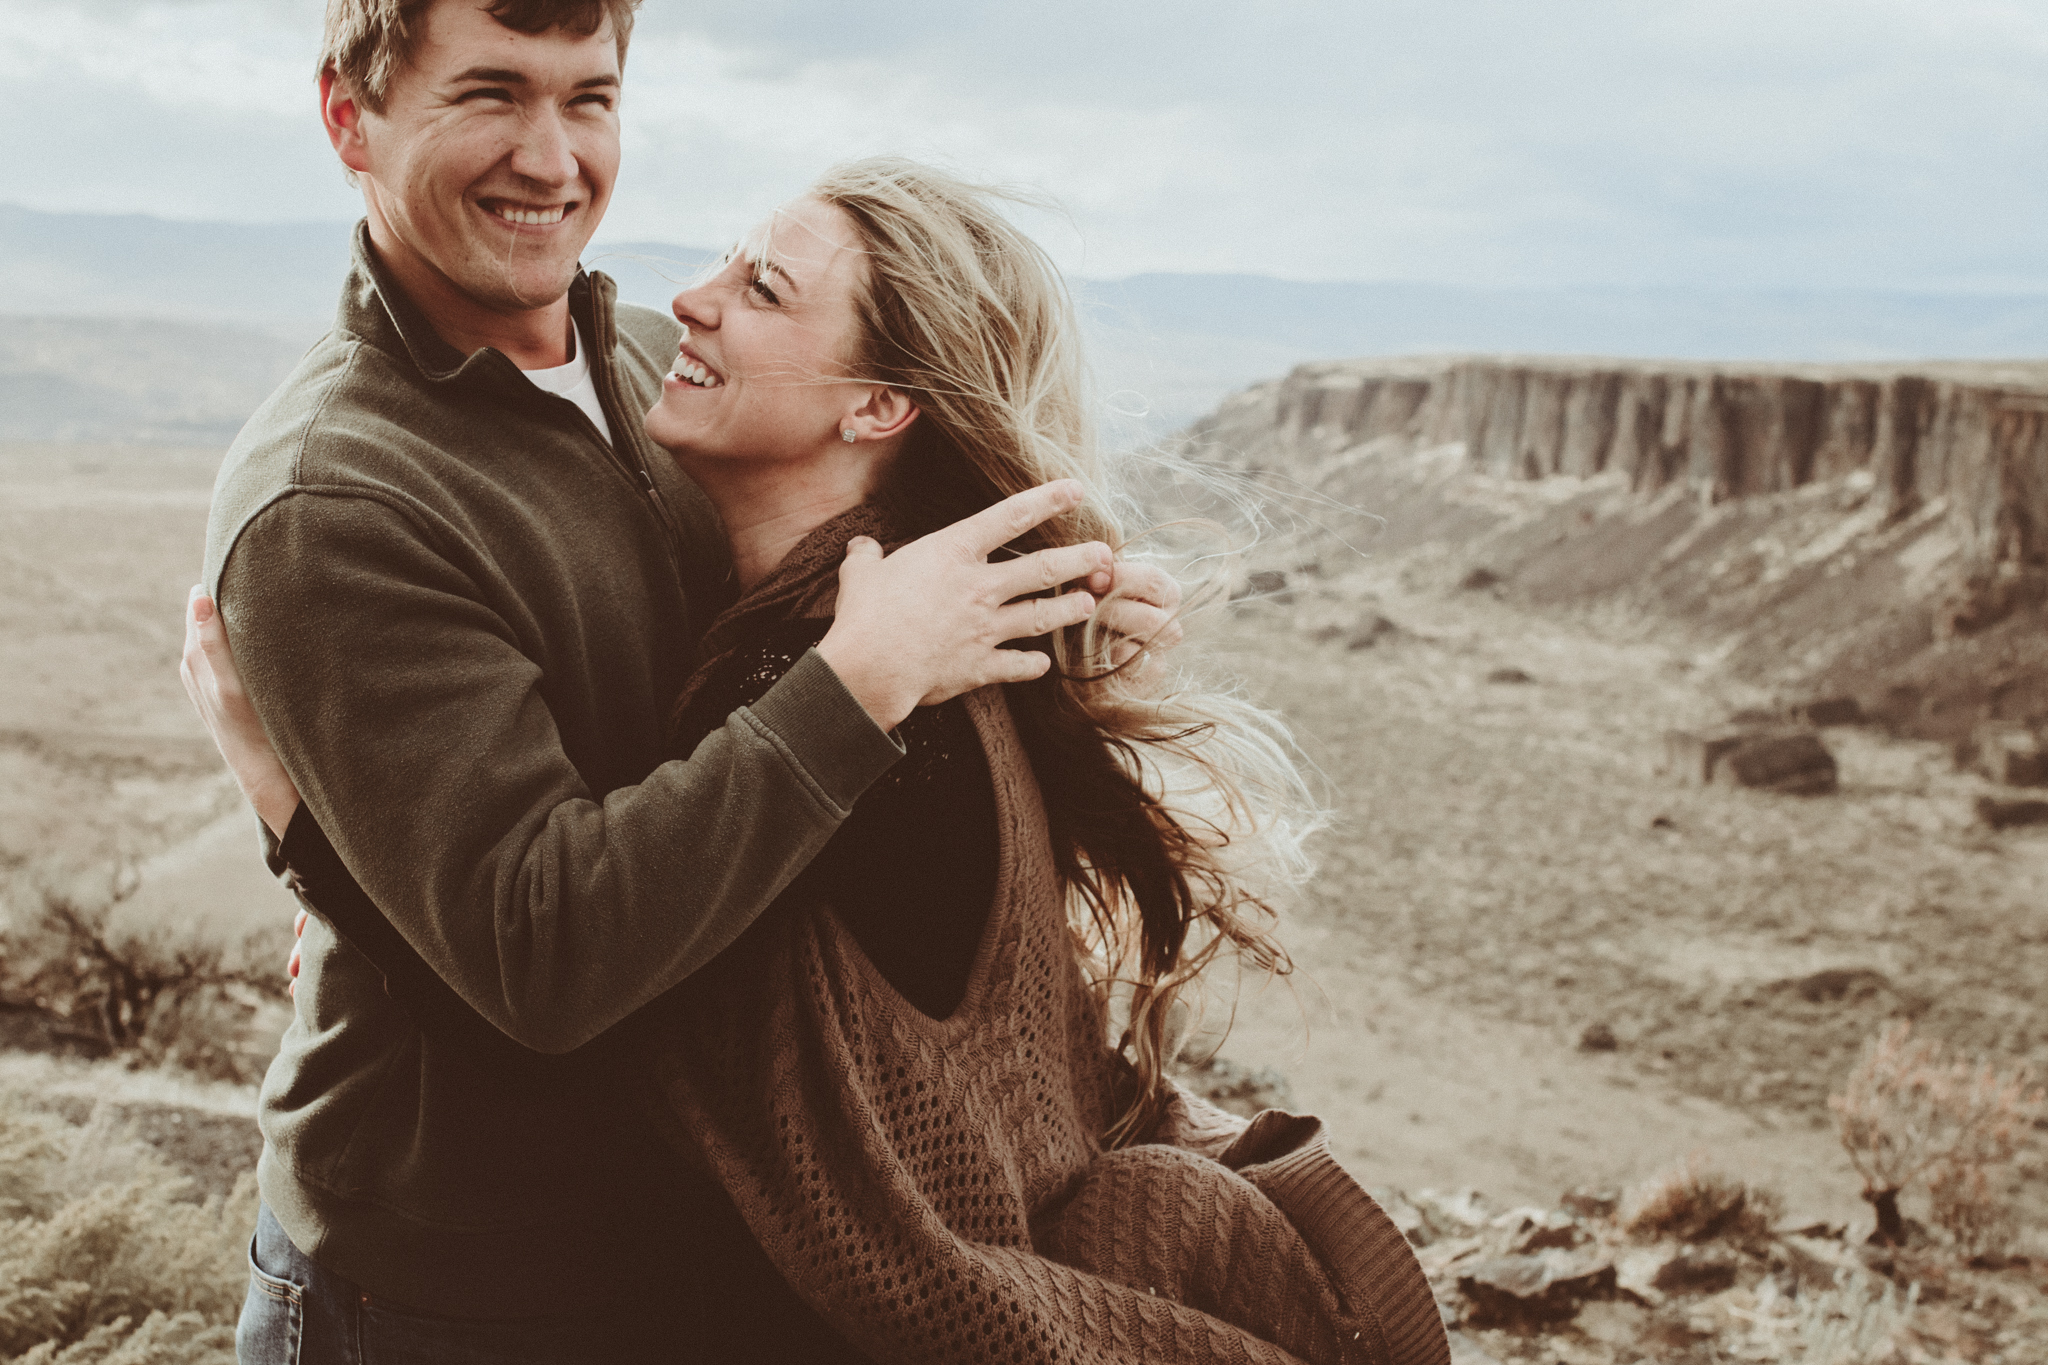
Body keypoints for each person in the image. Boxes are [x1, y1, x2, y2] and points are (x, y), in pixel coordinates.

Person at [189, 150, 1451, 1362]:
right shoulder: (918, 621)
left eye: (763, 289)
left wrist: (299, 815)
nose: (685, 299)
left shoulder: (846, 695)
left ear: (878, 404)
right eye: (726, 266)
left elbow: (574, 1042)